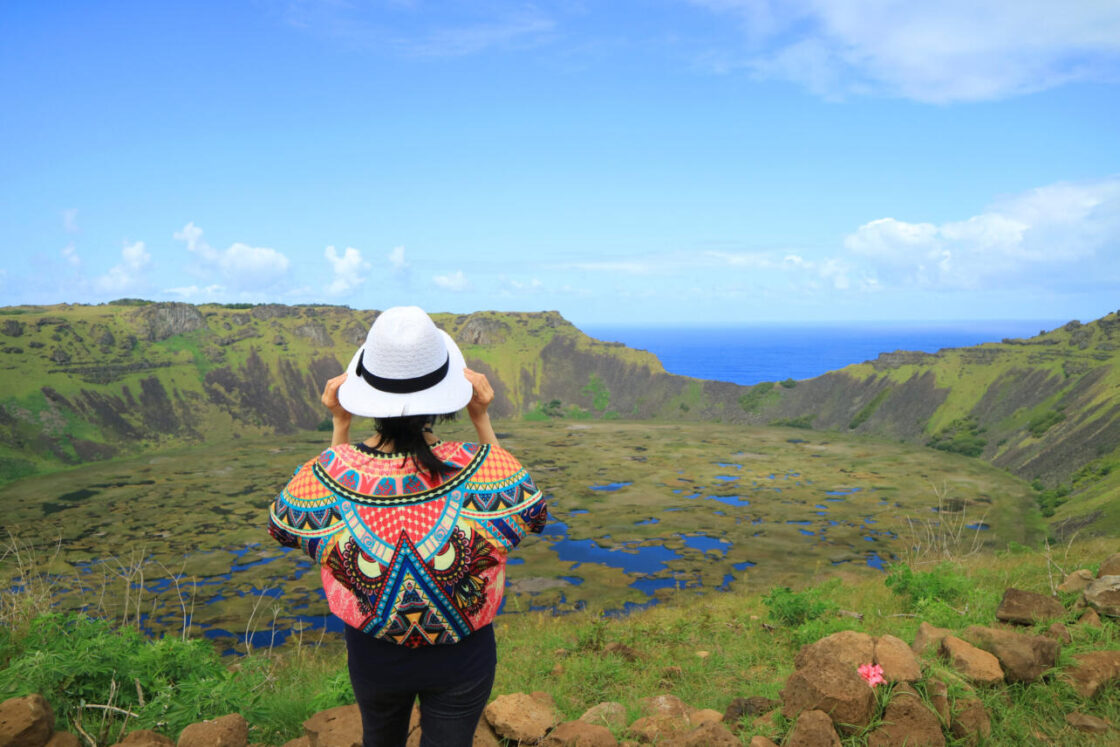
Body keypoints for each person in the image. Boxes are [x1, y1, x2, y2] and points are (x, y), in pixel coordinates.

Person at [268, 306, 547, 746]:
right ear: (443, 396)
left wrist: (339, 425)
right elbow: (529, 509)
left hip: (374, 655)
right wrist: (482, 419)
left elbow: (289, 526)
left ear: (366, 396)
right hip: (463, 654)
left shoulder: (328, 473)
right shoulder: (481, 468)